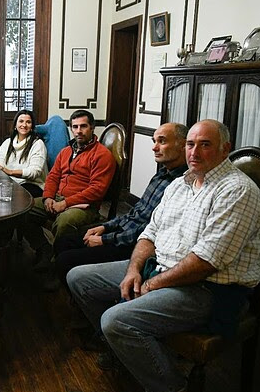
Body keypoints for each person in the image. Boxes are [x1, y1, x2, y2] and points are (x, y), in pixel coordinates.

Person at [67, 120, 260, 392]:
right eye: (190, 144)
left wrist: (149, 286)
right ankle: (129, 353)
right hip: (159, 267)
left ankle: (172, 391)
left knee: (116, 320)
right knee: (79, 278)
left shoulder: (237, 191)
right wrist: (135, 269)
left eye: (205, 144)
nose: (194, 152)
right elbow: (149, 233)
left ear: (225, 149)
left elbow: (205, 262)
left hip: (208, 288)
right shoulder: (180, 184)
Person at [41, 123, 188, 291]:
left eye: (162, 141)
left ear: (183, 145)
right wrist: (105, 227)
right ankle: (67, 286)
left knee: (66, 258)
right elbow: (134, 213)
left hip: (134, 244)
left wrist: (105, 239)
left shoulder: (182, 184)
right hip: (122, 230)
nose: (154, 148)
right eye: (154, 141)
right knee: (62, 242)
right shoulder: (161, 175)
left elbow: (151, 231)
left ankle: (77, 299)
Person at [22, 109, 116, 271]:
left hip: (85, 206)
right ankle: (44, 248)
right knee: (21, 211)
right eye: (75, 127)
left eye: (83, 126)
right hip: (58, 198)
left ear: (92, 127)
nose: (79, 131)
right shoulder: (66, 151)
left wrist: (65, 203)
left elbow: (96, 190)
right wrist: (48, 198)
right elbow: (53, 177)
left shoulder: (102, 155)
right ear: (71, 129)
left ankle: (56, 264)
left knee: (64, 222)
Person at [0, 109, 48, 198]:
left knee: (16, 196)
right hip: (10, 183)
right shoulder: (7, 143)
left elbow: (34, 172)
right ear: (15, 125)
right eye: (21, 121)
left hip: (32, 185)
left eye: (28, 122)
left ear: (32, 126)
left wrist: (10, 172)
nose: (24, 125)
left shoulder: (38, 144)